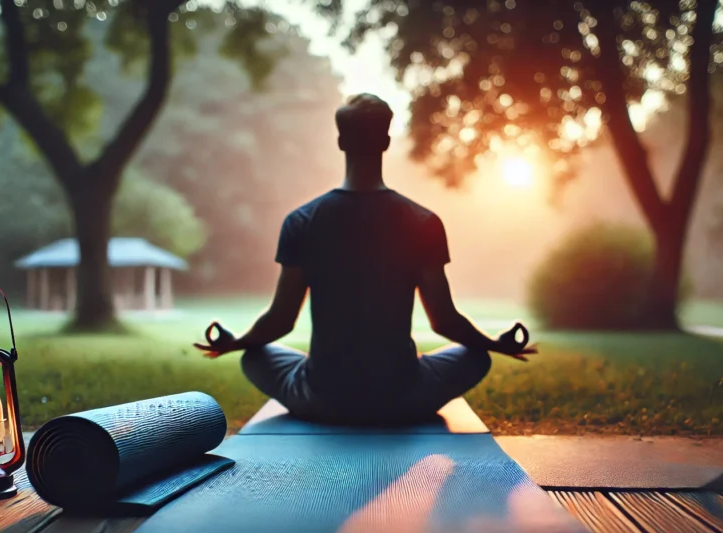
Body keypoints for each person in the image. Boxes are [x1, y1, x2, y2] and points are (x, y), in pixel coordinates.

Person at [195, 93, 536, 425]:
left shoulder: (302, 221)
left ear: (341, 141)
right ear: (386, 142)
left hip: (322, 398)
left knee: (254, 356)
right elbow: (443, 321)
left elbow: (281, 320)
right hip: (403, 397)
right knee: (476, 357)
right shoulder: (423, 222)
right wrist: (493, 344)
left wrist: (237, 342)